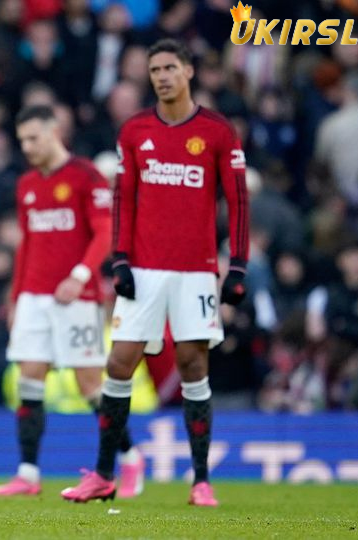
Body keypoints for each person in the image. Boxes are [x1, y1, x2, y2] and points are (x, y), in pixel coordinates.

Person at [61, 39, 249, 506]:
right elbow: (123, 197)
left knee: (192, 365)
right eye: (155, 69)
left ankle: (201, 480)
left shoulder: (218, 131)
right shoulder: (135, 130)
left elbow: (240, 201)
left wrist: (239, 263)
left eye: (170, 67)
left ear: (189, 71)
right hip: (142, 269)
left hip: (196, 271)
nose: (162, 76)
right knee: (119, 362)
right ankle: (106, 473)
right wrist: (120, 259)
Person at [0, 106, 144, 499]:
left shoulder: (84, 175)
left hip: (77, 298)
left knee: (89, 382)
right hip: (34, 297)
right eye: (22, 140)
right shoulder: (26, 185)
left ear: (54, 131)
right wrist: (16, 296)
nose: (27, 147)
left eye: (33, 138)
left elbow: (105, 232)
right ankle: (27, 474)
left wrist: (79, 276)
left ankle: (130, 457)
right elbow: (27, 243)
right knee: (29, 378)